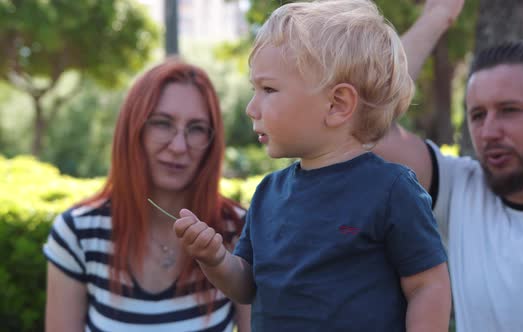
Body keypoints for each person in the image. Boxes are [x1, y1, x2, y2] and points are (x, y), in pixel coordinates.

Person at [174, 1, 451, 331]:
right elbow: (247, 286)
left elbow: (428, 286)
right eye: (254, 90)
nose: (251, 108)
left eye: (268, 89)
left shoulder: (391, 190)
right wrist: (215, 259)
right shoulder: (268, 194)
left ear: (337, 104)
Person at [375, 1, 523, 331]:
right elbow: (368, 125)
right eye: (477, 115)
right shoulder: (459, 189)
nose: (489, 132)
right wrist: (435, 19)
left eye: (510, 110)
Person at [43, 59, 251, 331]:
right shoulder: (77, 233)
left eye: (197, 128)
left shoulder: (239, 229)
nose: (179, 146)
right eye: (163, 124)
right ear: (133, 130)